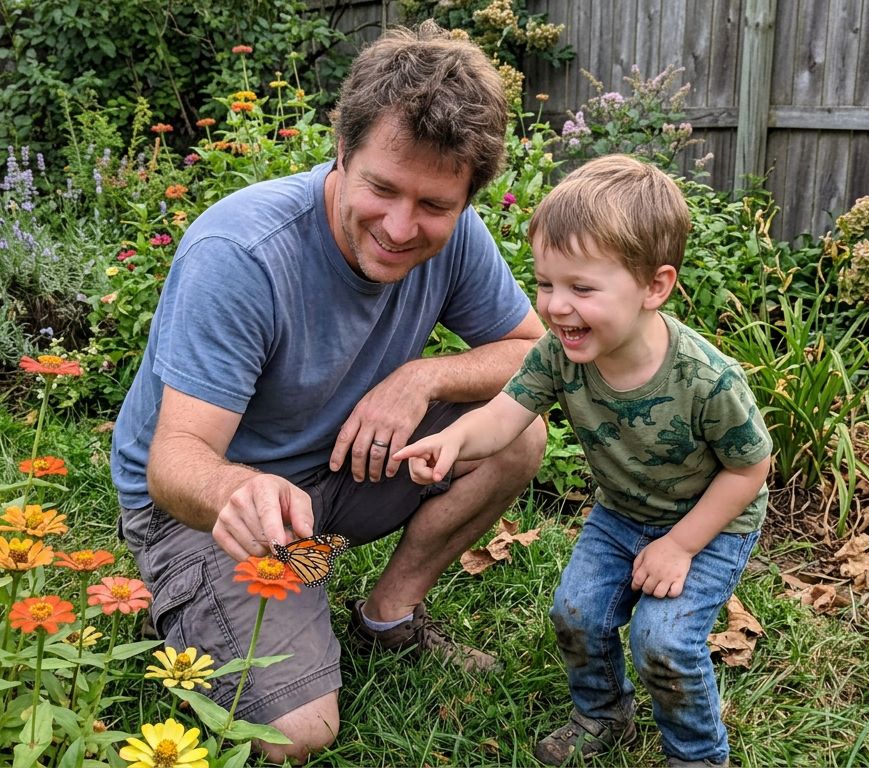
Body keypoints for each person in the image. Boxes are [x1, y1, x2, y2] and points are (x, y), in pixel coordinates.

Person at [109, 21, 547, 763]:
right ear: (340, 151)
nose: (402, 227)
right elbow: (174, 461)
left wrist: (423, 376)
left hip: (336, 470)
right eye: (381, 188)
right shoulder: (241, 253)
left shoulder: (459, 235)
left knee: (516, 434)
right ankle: (194, 595)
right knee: (295, 735)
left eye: (435, 206)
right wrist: (240, 493)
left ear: (467, 195)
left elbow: (535, 353)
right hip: (199, 507)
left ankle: (387, 616)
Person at [394, 154, 772, 768]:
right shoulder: (559, 354)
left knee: (664, 641)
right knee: (576, 613)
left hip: (707, 524)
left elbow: (749, 470)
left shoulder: (707, 380)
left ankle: (699, 754)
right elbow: (506, 414)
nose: (556, 306)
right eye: (546, 284)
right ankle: (602, 714)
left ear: (655, 285)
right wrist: (454, 441)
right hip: (620, 514)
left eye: (582, 288)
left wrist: (679, 546)